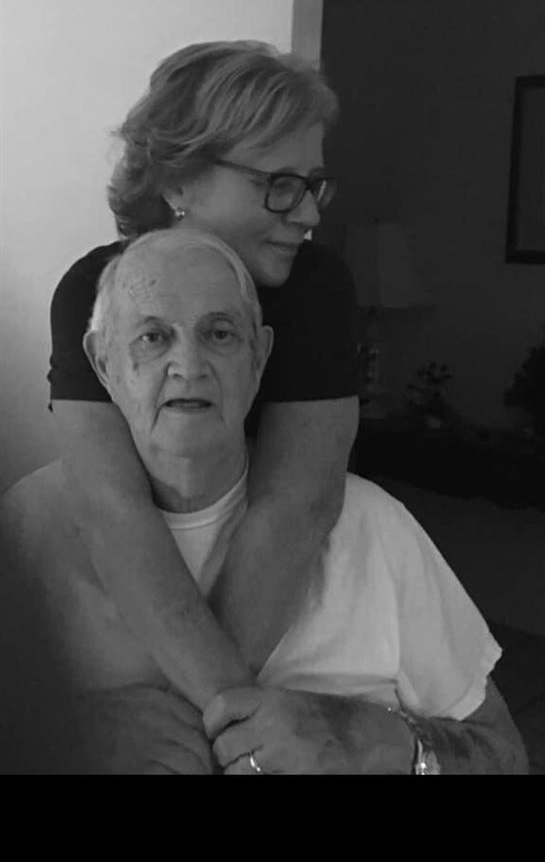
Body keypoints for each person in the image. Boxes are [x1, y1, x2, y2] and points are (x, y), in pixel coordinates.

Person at [3, 228, 527, 774]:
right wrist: (63, 737)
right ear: (103, 365)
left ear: (259, 358)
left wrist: (371, 738)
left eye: (220, 334)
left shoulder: (372, 527)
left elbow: (507, 756)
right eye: (153, 337)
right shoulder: (25, 529)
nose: (189, 366)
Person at [47, 40, 360, 712]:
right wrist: (222, 709)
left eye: (311, 184)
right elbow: (112, 513)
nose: (307, 213)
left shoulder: (315, 289)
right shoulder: (93, 293)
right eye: (276, 183)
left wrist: (204, 719)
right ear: (178, 180)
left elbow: (296, 507)